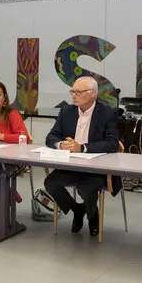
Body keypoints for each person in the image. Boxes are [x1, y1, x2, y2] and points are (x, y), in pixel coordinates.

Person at [42, 76, 121, 237]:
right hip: (70, 165)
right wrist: (60, 144)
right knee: (50, 183)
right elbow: (51, 137)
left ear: (92, 93)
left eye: (78, 92)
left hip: (96, 167)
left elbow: (112, 143)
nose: (74, 95)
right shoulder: (67, 111)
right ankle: (77, 209)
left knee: (85, 188)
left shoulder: (107, 113)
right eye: (72, 92)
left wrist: (83, 148)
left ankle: (92, 215)